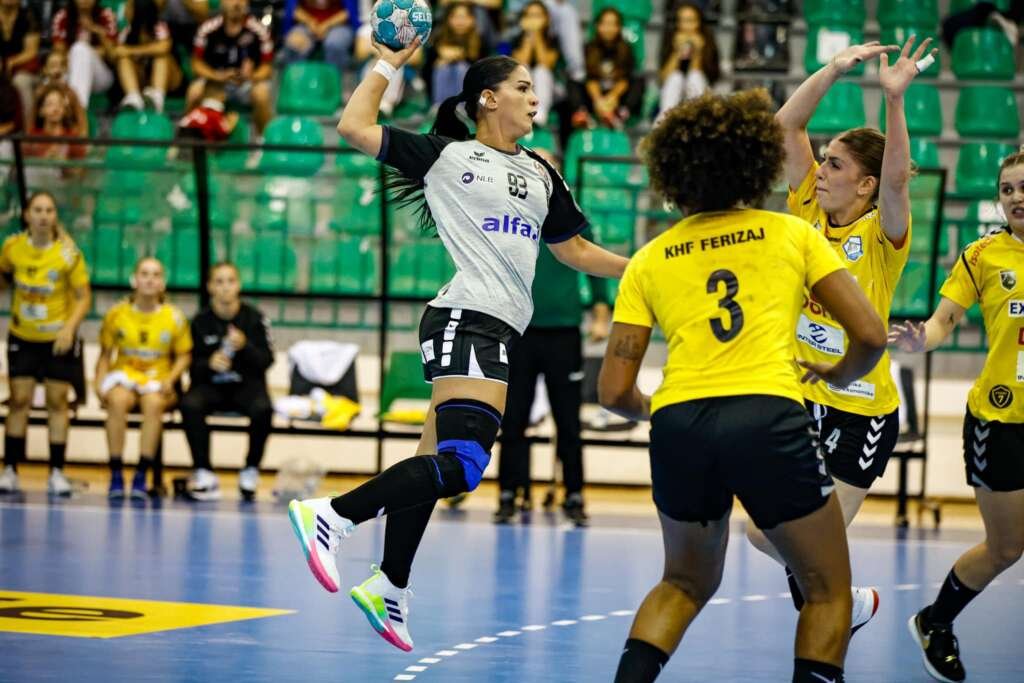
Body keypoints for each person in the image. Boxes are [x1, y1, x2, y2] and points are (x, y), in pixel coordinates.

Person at [287, 42, 628, 652]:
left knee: (433, 462)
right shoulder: (448, 155)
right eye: (523, 87)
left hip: (497, 327)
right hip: (466, 319)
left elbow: (573, 250)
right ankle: (333, 515)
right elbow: (354, 126)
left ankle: (390, 583)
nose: (535, 99)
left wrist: (643, 269)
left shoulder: (542, 172)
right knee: (465, 465)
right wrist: (388, 64)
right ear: (488, 99)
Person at [599, 89, 887, 683]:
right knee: (828, 590)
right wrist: (839, 374)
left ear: (675, 173)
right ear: (755, 163)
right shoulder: (791, 234)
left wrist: (661, 409)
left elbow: (613, 393)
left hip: (680, 424)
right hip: (767, 415)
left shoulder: (650, 258)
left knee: (682, 583)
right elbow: (870, 335)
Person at [743, 38, 937, 632]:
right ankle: (844, 604)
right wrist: (831, 69)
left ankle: (829, 638)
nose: (821, 171)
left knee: (809, 545)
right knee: (765, 534)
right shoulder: (807, 208)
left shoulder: (882, 235)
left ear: (865, 185)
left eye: (834, 165)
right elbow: (784, 125)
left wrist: (894, 101)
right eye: (822, 161)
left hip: (862, 413)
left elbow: (899, 180)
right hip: (803, 399)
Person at [891, 147, 1024, 683]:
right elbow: (944, 320)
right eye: (1007, 189)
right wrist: (921, 338)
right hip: (1001, 422)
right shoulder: (983, 255)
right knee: (1006, 547)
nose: (1016, 197)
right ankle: (935, 622)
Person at [495, 220, 610, 526]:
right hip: (520, 331)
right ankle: (508, 494)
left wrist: (601, 314)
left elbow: (594, 266)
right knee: (513, 419)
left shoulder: (572, 219)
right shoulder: (515, 217)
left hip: (564, 334)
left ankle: (574, 495)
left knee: (568, 421)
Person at [0, 192, 91, 496]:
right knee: (19, 401)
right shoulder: (12, 247)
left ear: (55, 216)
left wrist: (69, 328)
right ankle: (10, 470)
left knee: (57, 402)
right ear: (27, 214)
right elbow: (4, 277)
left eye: (49, 210)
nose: (43, 216)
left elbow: (83, 296)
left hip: (56, 340)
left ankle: (56, 473)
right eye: (37, 210)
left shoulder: (68, 254)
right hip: (23, 337)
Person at [95, 257, 192, 500]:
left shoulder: (174, 317)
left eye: (156, 275)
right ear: (134, 280)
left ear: (163, 283)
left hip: (158, 381)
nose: (150, 279)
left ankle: (141, 474)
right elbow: (105, 355)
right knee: (117, 400)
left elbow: (184, 356)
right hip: (124, 377)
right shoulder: (116, 314)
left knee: (153, 403)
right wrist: (99, 384)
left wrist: (171, 378)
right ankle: (116, 473)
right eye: (145, 274)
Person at [180, 261, 274, 501]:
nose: (225, 287)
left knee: (264, 408)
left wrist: (246, 346)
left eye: (230, 281)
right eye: (219, 281)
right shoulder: (199, 321)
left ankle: (250, 469)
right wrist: (208, 363)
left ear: (238, 285)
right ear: (210, 287)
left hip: (246, 386)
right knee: (189, 404)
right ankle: (204, 471)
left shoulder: (255, 319)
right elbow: (190, 364)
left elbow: (267, 360)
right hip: (211, 386)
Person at [188, 0, 273, 136]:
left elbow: (267, 67)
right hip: (217, 83)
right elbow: (196, 64)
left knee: (262, 93)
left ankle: (264, 140)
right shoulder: (208, 28)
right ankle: (187, 137)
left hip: (246, 85)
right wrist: (217, 76)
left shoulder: (259, 29)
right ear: (222, 2)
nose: (236, 3)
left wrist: (251, 76)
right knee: (194, 91)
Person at [570, 7, 644, 129]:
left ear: (619, 27)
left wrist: (613, 97)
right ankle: (582, 113)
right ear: (597, 26)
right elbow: (590, 78)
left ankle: (621, 113)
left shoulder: (626, 49)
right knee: (574, 79)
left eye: (612, 24)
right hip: (594, 95)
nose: (608, 28)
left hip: (616, 95)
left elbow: (624, 79)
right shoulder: (588, 48)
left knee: (638, 80)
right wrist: (598, 100)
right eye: (604, 24)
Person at [115, 0, 182, 113]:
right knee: (123, 59)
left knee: (162, 57)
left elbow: (163, 47)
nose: (125, 11)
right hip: (142, 80)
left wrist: (132, 51)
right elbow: (117, 52)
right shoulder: (127, 30)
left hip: (170, 80)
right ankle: (133, 98)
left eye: (130, 8)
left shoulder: (160, 26)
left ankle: (157, 99)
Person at [51, 0, 119, 111]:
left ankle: (77, 111)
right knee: (78, 51)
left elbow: (112, 55)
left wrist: (96, 30)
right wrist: (93, 51)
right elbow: (59, 53)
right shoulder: (63, 16)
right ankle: (78, 109)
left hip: (102, 76)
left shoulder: (106, 15)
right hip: (69, 69)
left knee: (80, 49)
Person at [656, 2, 719, 119]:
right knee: (676, 78)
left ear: (699, 22)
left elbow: (708, 77)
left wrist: (698, 51)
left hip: (699, 88)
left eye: (690, 21)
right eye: (682, 21)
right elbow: (663, 78)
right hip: (671, 94)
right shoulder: (670, 39)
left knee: (695, 76)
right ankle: (666, 120)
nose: (686, 26)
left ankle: (698, 119)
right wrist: (677, 52)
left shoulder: (707, 42)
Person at [509, 1, 561, 127]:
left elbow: (546, 63)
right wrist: (529, 35)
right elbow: (519, 64)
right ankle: (521, 113)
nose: (533, 20)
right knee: (523, 70)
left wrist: (537, 35)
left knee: (541, 71)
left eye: (537, 16)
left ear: (546, 19)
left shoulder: (553, 39)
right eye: (529, 16)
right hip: (525, 89)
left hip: (552, 89)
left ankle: (540, 115)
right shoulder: (516, 39)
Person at [426, 2, 483, 106]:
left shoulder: (480, 41)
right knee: (443, 67)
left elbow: (482, 72)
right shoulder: (438, 39)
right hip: (438, 93)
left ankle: (461, 106)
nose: (460, 21)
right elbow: (426, 70)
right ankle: (439, 106)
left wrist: (459, 56)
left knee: (461, 68)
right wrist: (440, 60)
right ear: (448, 19)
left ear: (472, 20)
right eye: (456, 17)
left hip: (470, 95)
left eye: (464, 17)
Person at [281, 0, 355, 76]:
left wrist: (327, 25)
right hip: (306, 23)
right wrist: (310, 22)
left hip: (339, 24)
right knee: (295, 43)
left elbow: (351, 11)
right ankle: (295, 79)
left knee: (334, 45)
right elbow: (292, 8)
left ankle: (336, 79)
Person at [0, 0, 41, 128]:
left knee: (21, 81)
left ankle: (28, 133)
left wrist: (10, 62)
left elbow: (31, 51)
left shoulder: (29, 15)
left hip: (23, 68)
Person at [24, 84, 89, 163]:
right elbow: (23, 164)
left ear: (64, 110)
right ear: (41, 110)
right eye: (50, 104)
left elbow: (80, 167)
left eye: (60, 104)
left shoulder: (72, 139)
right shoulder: (32, 138)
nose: (56, 109)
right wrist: (44, 160)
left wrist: (64, 163)